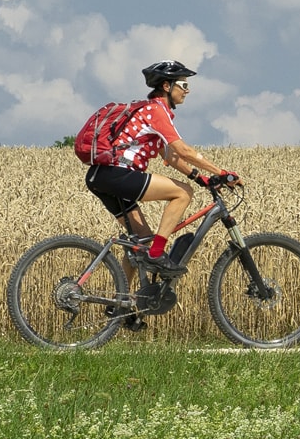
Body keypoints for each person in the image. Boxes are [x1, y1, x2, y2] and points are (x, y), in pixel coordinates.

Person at [82, 60, 241, 279]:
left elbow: (171, 156)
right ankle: (158, 254)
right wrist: (221, 172)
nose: (188, 90)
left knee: (141, 241)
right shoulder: (156, 110)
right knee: (183, 193)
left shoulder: (151, 111)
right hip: (117, 173)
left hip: (102, 176)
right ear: (167, 86)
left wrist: (200, 177)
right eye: (183, 85)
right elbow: (183, 150)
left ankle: (122, 304)